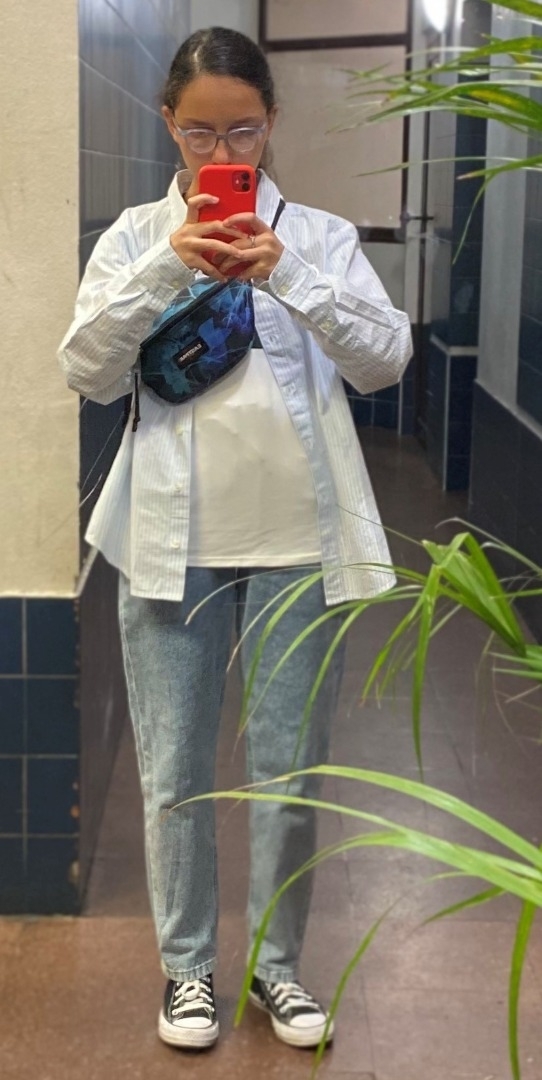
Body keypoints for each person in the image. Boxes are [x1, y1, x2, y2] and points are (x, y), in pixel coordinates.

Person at [58, 26, 412, 1053]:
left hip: (301, 542)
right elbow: (85, 371)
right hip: (170, 542)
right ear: (168, 121)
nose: (223, 153)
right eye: (201, 132)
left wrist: (288, 273)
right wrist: (166, 267)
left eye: (244, 131)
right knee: (175, 771)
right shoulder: (134, 237)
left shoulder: (321, 239)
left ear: (271, 122)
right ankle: (187, 973)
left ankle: (278, 968)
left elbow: (385, 361)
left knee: (288, 772)